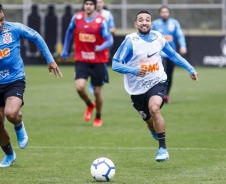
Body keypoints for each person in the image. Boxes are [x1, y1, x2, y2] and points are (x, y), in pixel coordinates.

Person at [0, 3, 62, 168]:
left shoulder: (14, 28)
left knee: (11, 113)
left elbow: (36, 36)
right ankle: (9, 155)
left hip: (15, 80)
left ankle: (19, 125)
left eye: (1, 19)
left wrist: (50, 59)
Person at [112, 10, 198, 162]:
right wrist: (134, 70)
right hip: (136, 89)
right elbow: (115, 64)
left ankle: (163, 148)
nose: (144, 22)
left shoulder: (159, 37)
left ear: (151, 23)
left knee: (154, 108)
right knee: (149, 122)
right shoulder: (130, 41)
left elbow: (172, 55)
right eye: (141, 20)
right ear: (135, 24)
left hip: (157, 80)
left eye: (147, 19)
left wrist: (190, 68)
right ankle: (154, 130)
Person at [60, 0, 112, 127]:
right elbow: (69, 32)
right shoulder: (77, 18)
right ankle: (89, 104)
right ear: (84, 5)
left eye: (91, 4)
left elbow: (109, 39)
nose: (88, 6)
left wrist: (101, 46)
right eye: (86, 4)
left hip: (98, 61)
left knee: (97, 92)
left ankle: (98, 116)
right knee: (79, 87)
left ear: (95, 6)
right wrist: (65, 49)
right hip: (82, 59)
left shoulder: (101, 20)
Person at [152, 6, 187, 104]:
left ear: (169, 13)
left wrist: (183, 46)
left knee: (169, 76)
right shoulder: (155, 24)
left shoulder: (174, 23)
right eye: (162, 12)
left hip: (171, 54)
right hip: (159, 55)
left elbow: (180, 35)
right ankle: (160, 95)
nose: (164, 13)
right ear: (160, 13)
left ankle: (166, 95)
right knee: (162, 75)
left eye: (166, 12)